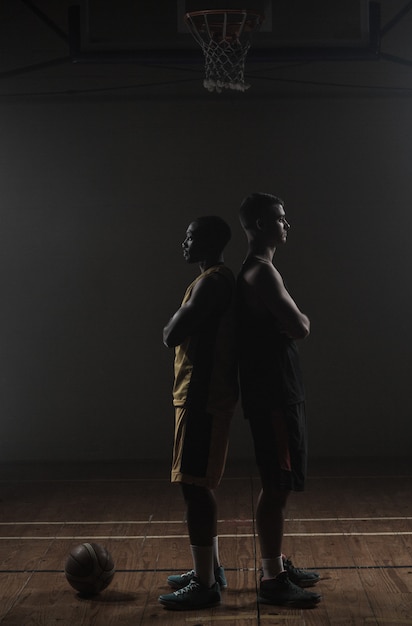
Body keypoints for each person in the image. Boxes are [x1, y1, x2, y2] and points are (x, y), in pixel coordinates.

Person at [237, 192, 321, 608]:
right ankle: (271, 579)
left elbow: (294, 326)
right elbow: (300, 326)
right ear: (256, 224)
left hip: (279, 392)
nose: (286, 224)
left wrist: (296, 322)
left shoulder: (265, 269)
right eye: (278, 218)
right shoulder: (261, 273)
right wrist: (300, 320)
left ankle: (277, 565)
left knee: (280, 484)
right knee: (276, 486)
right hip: (272, 395)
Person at [159, 215, 238, 611]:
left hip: (203, 395)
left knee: (194, 485)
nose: (184, 244)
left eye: (190, 237)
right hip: (199, 394)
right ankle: (211, 570)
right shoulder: (210, 280)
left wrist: (173, 322)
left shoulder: (211, 283)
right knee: (197, 485)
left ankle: (206, 584)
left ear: (208, 241)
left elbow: (171, 333)